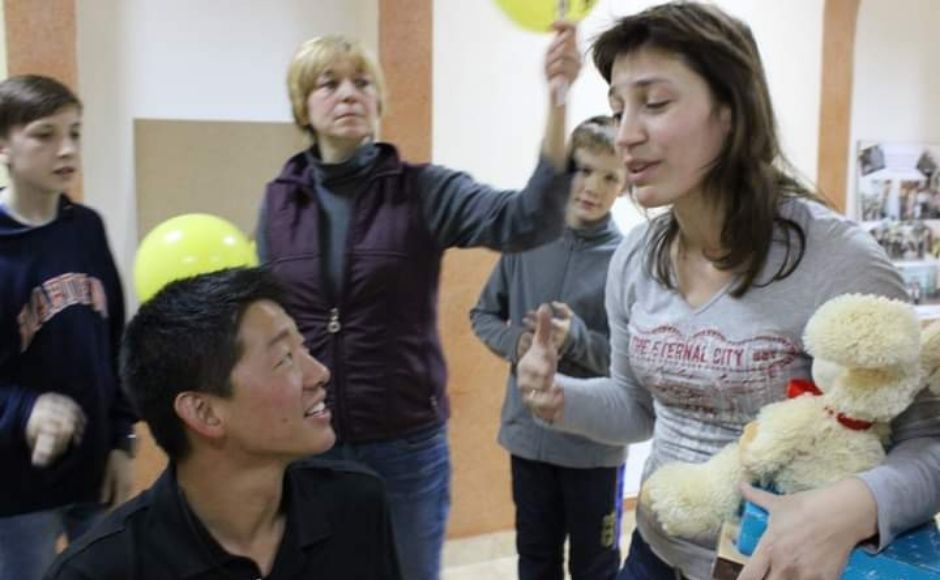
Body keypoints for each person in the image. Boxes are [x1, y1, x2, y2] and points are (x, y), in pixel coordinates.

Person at [516, 3, 940, 580]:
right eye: (618, 110)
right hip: (654, 554)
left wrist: (856, 505)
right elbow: (638, 407)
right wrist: (559, 398)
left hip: (776, 562)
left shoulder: (839, 260)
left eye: (655, 103)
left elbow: (929, 442)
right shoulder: (635, 261)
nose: (627, 135)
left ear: (731, 111)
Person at [255, 25, 581, 580]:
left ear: (379, 101)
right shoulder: (280, 201)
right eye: (328, 84)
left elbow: (528, 219)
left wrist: (557, 100)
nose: (349, 93)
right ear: (302, 108)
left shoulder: (422, 189)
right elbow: (269, 319)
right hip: (308, 440)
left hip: (402, 446)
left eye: (362, 82)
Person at [45, 268, 402, 580]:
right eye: (285, 359)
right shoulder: (100, 571)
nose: (319, 374)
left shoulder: (355, 506)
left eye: (305, 347)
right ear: (203, 412)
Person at [469, 115, 627, 580]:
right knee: (535, 561)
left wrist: (575, 339)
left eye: (609, 176)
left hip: (595, 452)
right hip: (528, 442)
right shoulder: (527, 240)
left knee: (595, 567)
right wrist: (520, 344)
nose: (592, 186)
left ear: (626, 185)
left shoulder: (628, 261)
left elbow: (630, 363)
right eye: (582, 169)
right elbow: (481, 315)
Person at [0, 75, 136, 580]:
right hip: (17, 493)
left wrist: (124, 441)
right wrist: (27, 408)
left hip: (94, 474)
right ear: (4, 145)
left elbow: (117, 342)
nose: (66, 148)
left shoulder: (87, 228)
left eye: (75, 132)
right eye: (43, 134)